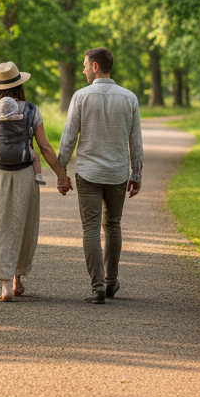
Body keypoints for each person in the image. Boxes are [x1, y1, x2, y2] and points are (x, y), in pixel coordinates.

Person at [0, 61, 70, 302]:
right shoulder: (32, 110)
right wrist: (61, 175)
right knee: (22, 225)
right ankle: (16, 279)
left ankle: (4, 286)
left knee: (0, 225)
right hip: (26, 173)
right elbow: (44, 147)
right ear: (20, 85)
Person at [56, 47, 143, 304]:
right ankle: (111, 281)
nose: (83, 70)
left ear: (95, 66)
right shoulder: (129, 98)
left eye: (85, 65)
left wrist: (62, 173)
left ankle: (97, 288)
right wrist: (136, 172)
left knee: (91, 229)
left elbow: (69, 137)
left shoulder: (81, 97)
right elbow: (135, 141)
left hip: (88, 173)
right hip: (118, 173)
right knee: (113, 225)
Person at [0, 96, 46, 186]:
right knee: (35, 157)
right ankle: (38, 175)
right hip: (22, 152)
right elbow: (44, 146)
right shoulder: (24, 115)